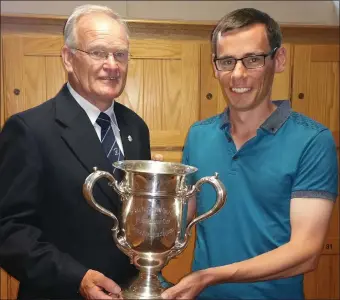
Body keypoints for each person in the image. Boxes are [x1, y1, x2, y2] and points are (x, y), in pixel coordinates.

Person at [161, 8, 338, 300]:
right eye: (227, 61)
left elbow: (305, 252)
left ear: (278, 60)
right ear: (215, 66)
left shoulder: (312, 141)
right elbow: (181, 221)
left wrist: (209, 276)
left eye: (253, 59)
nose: (238, 74)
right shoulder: (198, 135)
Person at [0, 4, 152, 299]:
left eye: (120, 54)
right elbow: (8, 231)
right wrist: (76, 278)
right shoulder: (29, 130)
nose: (112, 64)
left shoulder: (137, 127)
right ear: (68, 58)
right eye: (98, 52)